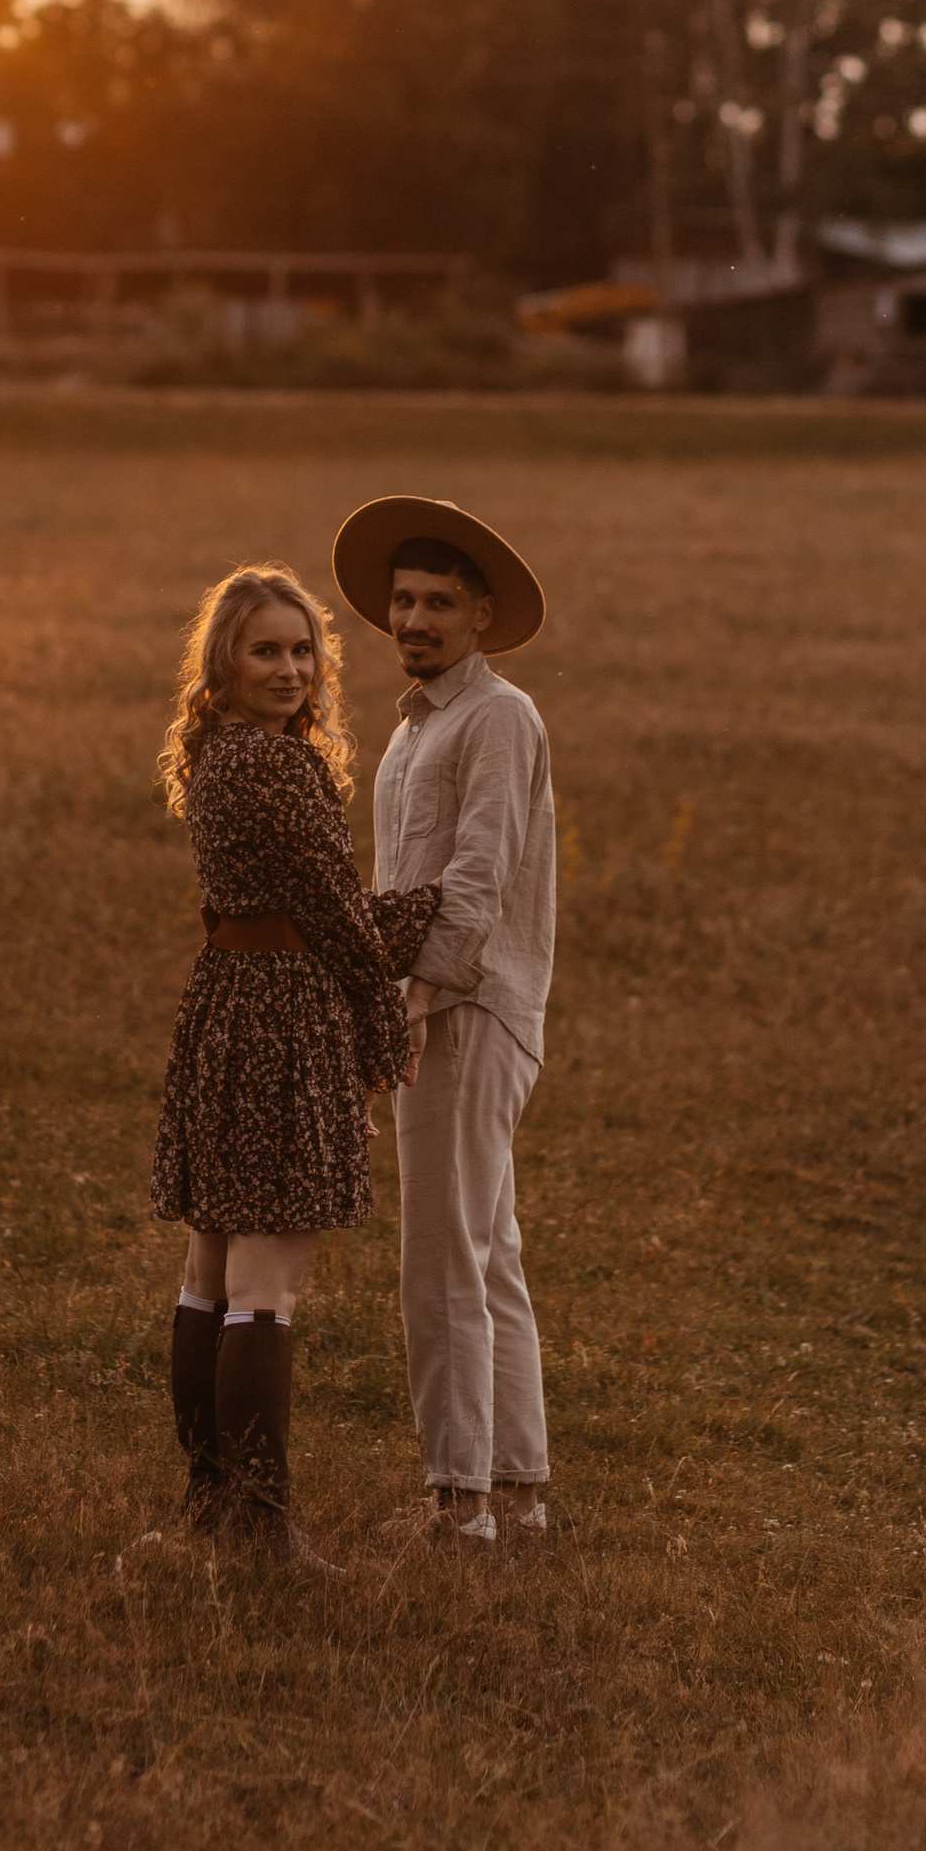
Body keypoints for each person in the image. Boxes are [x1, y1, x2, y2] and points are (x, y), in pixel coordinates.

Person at [150, 564, 438, 1555]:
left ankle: (208, 1507)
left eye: (303, 649)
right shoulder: (276, 767)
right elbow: (332, 921)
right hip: (278, 1014)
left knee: (213, 1269)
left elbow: (316, 905)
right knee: (262, 1283)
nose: (289, 669)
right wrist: (389, 1007)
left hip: (225, 1005)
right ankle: (257, 1529)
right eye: (264, 650)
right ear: (221, 666)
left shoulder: (223, 758)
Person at [332, 493, 556, 1549]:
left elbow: (476, 878)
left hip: (464, 1010)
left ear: (479, 617)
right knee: (484, 1247)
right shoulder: (421, 725)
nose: (413, 620)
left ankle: (456, 1500)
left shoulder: (496, 716)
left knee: (441, 1260)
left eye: (437, 603)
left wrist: (413, 1003)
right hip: (442, 1005)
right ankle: (515, 1489)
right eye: (402, 602)